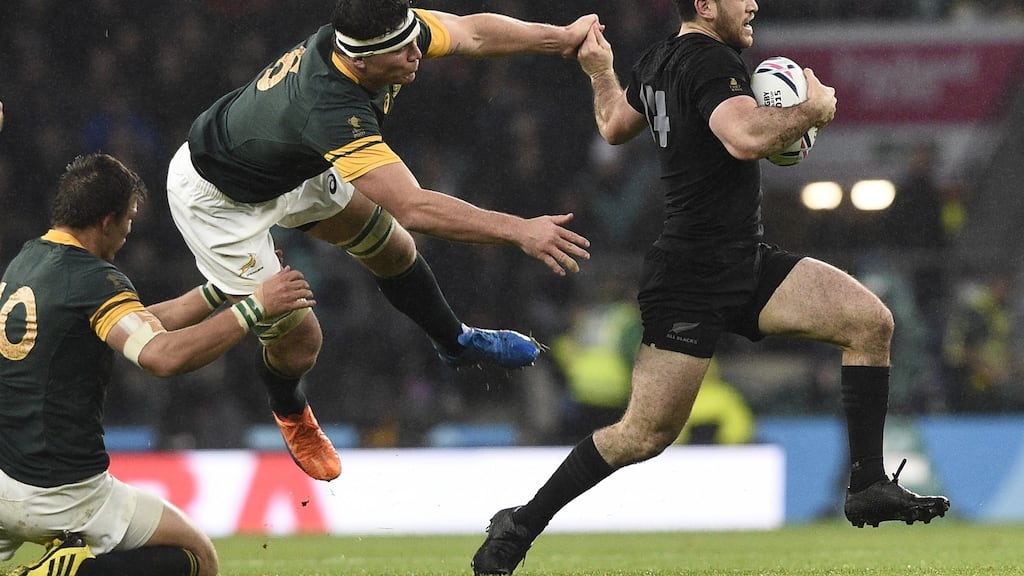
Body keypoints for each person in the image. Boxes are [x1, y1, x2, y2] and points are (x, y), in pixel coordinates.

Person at [470, 2, 950, 573]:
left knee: (870, 322)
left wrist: (601, 70)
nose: (752, 4)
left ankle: (867, 482)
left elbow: (614, 126)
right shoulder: (708, 59)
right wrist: (812, 108)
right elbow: (746, 137)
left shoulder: (656, 60)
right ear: (703, 5)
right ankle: (521, 523)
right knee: (643, 435)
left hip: (743, 261)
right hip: (691, 276)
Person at [166, 0, 596, 482]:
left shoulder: (382, 37)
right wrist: (521, 229)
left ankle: (454, 342)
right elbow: (414, 207)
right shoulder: (330, 106)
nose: (417, 52)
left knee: (392, 248)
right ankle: (290, 411)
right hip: (220, 200)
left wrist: (560, 38)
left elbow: (470, 33)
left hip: (285, 162)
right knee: (303, 342)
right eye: (402, 51)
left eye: (414, 39)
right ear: (360, 62)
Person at [0, 153, 315, 576]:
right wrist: (256, 307)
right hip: (65, 492)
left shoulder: (28, 261)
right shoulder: (92, 278)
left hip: (5, 479)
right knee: (199, 557)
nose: (131, 230)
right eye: (129, 218)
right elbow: (162, 356)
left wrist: (222, 290)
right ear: (108, 220)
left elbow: (139, 326)